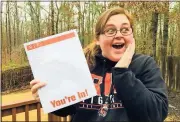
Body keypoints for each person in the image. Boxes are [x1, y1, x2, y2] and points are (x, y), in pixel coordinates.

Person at [30, 7, 168, 122]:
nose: (119, 35)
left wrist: (122, 72)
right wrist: (47, 96)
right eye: (110, 30)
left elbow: (157, 114)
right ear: (97, 39)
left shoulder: (145, 65)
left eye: (125, 30)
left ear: (132, 36)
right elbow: (67, 109)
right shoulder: (83, 65)